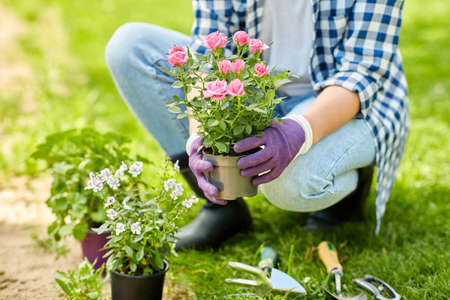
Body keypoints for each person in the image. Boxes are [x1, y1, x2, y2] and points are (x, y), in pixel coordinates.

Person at [105, 0, 409, 250]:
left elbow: (360, 73)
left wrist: (297, 134)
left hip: (348, 102)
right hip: (257, 92)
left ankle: (347, 187)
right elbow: (206, 58)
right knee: (130, 47)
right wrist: (198, 138)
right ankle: (221, 206)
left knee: (287, 186)